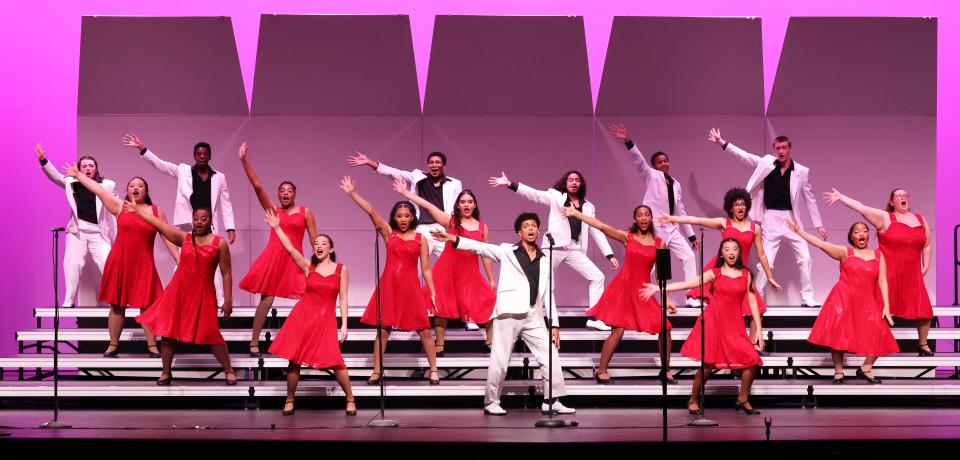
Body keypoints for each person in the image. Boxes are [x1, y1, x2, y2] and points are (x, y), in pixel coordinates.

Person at [432, 213, 575, 416]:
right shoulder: (509, 251)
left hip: (533, 314)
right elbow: (481, 248)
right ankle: (492, 401)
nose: (531, 229)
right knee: (500, 358)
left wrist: (555, 325)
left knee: (550, 354)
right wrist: (453, 239)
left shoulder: (545, 260)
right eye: (526, 226)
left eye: (534, 225)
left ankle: (551, 400)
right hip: (509, 312)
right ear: (519, 231)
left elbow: (549, 293)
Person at [62, 163, 177, 358]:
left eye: (140, 185)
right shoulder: (119, 206)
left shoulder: (156, 211)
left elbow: (168, 237)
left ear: (146, 190)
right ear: (127, 190)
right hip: (120, 262)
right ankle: (113, 345)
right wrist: (78, 176)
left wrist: (180, 259)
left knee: (147, 305)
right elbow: (98, 189)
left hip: (144, 264)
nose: (135, 188)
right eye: (132, 185)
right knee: (117, 305)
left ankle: (152, 346)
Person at [641, 238, 764, 415]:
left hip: (734, 325)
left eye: (734, 249)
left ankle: (742, 398)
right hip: (713, 321)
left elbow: (753, 302)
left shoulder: (746, 274)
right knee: (707, 365)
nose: (731, 252)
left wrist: (758, 329)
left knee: (752, 361)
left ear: (739, 252)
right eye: (727, 249)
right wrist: (660, 288)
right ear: (721, 253)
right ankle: (692, 400)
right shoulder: (714, 273)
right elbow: (687, 284)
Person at [707, 128, 826, 306]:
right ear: (774, 149)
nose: (781, 151)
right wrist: (722, 143)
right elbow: (745, 156)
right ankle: (757, 295)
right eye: (777, 148)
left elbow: (809, 198)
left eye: (784, 148)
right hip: (770, 218)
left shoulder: (801, 171)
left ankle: (807, 296)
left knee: (806, 258)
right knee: (766, 260)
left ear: (789, 148)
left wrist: (819, 225)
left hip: (791, 220)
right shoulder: (766, 163)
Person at [340, 176, 440, 385]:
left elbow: (426, 269)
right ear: (394, 218)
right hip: (389, 286)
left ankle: (433, 370)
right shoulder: (389, 234)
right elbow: (371, 211)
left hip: (411, 286)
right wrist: (351, 194)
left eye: (406, 216)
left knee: (424, 330)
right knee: (383, 330)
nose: (403, 219)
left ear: (413, 217)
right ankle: (377, 370)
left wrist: (432, 291)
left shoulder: (420, 238)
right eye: (399, 216)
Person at [489, 170, 618, 331]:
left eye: (577, 180)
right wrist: (511, 184)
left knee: (598, 276)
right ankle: (543, 320)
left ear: (581, 184)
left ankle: (594, 318)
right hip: (553, 247)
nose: (574, 182)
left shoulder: (588, 206)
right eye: (570, 179)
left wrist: (609, 254)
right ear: (565, 183)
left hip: (574, 248)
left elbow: (596, 229)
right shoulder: (556, 196)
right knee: (547, 284)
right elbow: (534, 194)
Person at [563, 204, 678, 384]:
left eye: (646, 215)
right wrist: (575, 213)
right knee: (617, 332)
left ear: (651, 218)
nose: (643, 218)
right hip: (623, 289)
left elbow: (661, 278)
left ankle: (666, 370)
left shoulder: (660, 243)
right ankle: (601, 371)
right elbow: (601, 226)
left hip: (643, 292)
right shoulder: (627, 237)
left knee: (665, 328)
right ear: (635, 219)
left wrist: (668, 299)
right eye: (639, 215)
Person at [659, 187, 781, 354]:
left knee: (758, 310)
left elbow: (761, 254)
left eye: (743, 204)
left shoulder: (755, 228)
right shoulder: (724, 223)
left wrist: (770, 276)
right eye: (737, 204)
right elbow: (696, 220)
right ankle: (716, 347)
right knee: (720, 312)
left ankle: (752, 347)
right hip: (721, 272)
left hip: (741, 274)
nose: (740, 207)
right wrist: (671, 218)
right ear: (731, 207)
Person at [123, 134, 235, 304]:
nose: (202, 157)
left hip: (210, 224)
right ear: (194, 156)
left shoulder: (219, 177)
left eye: (205, 154)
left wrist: (230, 227)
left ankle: (219, 301)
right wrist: (142, 149)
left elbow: (225, 203)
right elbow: (161, 165)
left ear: (210, 156)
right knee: (184, 260)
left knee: (214, 261)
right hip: (188, 225)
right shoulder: (183, 170)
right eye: (199, 154)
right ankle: (175, 297)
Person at [263, 209, 355, 416]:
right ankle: (289, 399)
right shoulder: (308, 266)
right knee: (294, 360)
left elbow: (343, 298)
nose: (319, 246)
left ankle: (350, 398)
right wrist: (277, 227)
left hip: (325, 320)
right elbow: (290, 248)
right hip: (303, 317)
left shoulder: (341, 269)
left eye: (323, 243)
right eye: (316, 244)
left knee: (335, 360)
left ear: (331, 249)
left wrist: (344, 325)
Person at [823, 188, 934, 356]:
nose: (902, 197)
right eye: (898, 196)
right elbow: (861, 207)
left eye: (905, 195)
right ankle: (869, 346)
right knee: (877, 311)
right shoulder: (885, 217)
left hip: (912, 274)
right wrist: (840, 197)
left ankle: (923, 344)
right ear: (892, 202)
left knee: (924, 310)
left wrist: (925, 266)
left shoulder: (920, 219)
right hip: (888, 272)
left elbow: (926, 244)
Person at [133, 206, 237, 386]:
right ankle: (166, 372)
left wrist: (228, 300)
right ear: (192, 220)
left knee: (211, 334)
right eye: (196, 218)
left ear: (210, 221)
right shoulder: (185, 238)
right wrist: (138, 211)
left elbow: (226, 273)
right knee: (168, 332)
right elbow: (159, 224)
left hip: (203, 295)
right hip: (178, 292)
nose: (199, 222)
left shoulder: (219, 243)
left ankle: (229, 370)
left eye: (204, 219)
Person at [787, 220, 898, 384]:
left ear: (868, 234)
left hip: (867, 301)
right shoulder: (845, 252)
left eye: (864, 230)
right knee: (839, 334)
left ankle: (865, 368)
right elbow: (819, 244)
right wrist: (799, 232)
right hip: (843, 298)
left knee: (881, 332)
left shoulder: (878, 255)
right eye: (857, 231)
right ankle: (839, 371)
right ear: (851, 237)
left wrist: (887, 306)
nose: (861, 233)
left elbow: (882, 280)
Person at [393, 179, 496, 351]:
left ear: (475, 204)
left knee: (488, 303)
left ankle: (491, 342)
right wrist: (406, 194)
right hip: (447, 270)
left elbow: (486, 255)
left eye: (470, 202)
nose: (466, 205)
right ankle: (439, 343)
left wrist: (491, 278)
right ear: (458, 205)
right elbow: (428, 206)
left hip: (470, 272)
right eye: (463, 202)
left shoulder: (482, 227)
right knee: (441, 305)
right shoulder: (452, 222)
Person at [237, 143, 318, 357]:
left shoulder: (305, 212)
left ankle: (303, 341)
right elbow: (257, 186)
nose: (285, 193)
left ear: (295, 195)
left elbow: (314, 239)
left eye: (289, 191)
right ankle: (254, 342)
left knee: (308, 297)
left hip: (295, 259)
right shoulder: (274, 211)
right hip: (274, 258)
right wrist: (243, 160)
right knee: (266, 299)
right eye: (282, 191)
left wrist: (319, 263)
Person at [607, 124, 700, 306]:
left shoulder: (676, 183)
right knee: (650, 267)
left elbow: (680, 210)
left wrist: (691, 235)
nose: (664, 163)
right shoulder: (651, 176)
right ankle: (629, 296)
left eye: (666, 161)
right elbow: (639, 161)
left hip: (672, 228)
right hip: (656, 229)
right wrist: (628, 141)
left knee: (689, 256)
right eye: (660, 162)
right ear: (654, 165)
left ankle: (691, 296)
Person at [36, 143, 117, 307]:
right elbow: (56, 176)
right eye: (84, 166)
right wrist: (44, 160)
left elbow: (114, 209)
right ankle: (69, 300)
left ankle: (118, 299)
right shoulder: (72, 182)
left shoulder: (107, 185)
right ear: (79, 169)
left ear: (96, 168)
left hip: (98, 233)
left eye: (91, 165)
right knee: (73, 265)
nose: (88, 168)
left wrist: (117, 236)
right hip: (77, 232)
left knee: (109, 264)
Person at [346, 150, 462, 258]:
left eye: (438, 162)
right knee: (411, 265)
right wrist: (369, 162)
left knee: (453, 262)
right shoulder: (418, 176)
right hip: (421, 229)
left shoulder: (455, 184)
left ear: (444, 165)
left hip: (441, 229)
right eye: (431, 162)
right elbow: (394, 173)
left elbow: (457, 210)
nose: (434, 165)